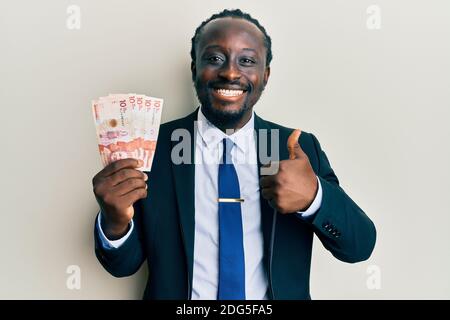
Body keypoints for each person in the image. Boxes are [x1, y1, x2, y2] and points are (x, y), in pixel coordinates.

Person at [92, 9, 376, 300]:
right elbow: (122, 266)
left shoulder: (298, 149)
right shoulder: (153, 147)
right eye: (214, 58)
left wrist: (315, 197)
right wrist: (114, 221)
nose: (230, 72)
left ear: (264, 75)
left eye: (247, 60)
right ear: (194, 69)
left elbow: (359, 246)